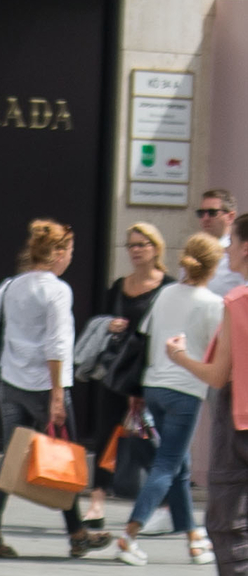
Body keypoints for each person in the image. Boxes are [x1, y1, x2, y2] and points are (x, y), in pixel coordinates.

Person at [0, 220, 88, 558]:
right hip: (45, 385)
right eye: (68, 252)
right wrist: (56, 394)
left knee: (11, 456)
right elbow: (58, 345)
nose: (69, 258)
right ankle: (77, 534)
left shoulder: (10, 286)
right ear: (57, 253)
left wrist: (15, 347)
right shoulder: (57, 290)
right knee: (66, 457)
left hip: (10, 383)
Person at [109, 231, 221, 565]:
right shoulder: (212, 304)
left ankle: (194, 539)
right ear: (213, 267)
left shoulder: (166, 293)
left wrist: (138, 392)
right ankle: (129, 536)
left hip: (154, 387)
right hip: (185, 391)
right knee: (167, 466)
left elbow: (145, 338)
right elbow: (217, 352)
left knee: (179, 468)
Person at [156, 268, 248, 576]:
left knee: (227, 526)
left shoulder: (239, 302)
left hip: (241, 424)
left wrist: (179, 356)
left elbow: (217, 374)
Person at [72, 224, 169, 542]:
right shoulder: (118, 286)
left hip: (147, 376)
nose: (136, 250)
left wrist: (141, 390)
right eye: (131, 245)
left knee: (150, 443)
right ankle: (97, 501)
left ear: (156, 248)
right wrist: (107, 324)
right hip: (115, 375)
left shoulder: (166, 288)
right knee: (106, 437)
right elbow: (97, 321)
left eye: (142, 244)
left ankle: (161, 506)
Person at [200, 190, 240, 297]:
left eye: (212, 213)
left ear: (230, 217)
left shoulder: (238, 252)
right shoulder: (194, 251)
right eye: (201, 213)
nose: (205, 218)